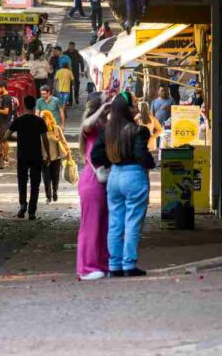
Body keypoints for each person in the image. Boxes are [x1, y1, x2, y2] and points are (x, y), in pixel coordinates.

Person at [91, 93, 155, 277]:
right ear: (127, 109)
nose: (135, 107)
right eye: (133, 104)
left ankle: (114, 265)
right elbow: (142, 155)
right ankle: (129, 264)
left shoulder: (107, 131)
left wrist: (111, 161)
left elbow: (96, 156)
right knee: (133, 222)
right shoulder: (138, 130)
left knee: (115, 223)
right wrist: (150, 163)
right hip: (134, 175)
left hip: (114, 177)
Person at [77, 93, 111, 280]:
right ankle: (86, 267)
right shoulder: (94, 126)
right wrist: (101, 109)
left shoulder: (105, 126)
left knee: (104, 225)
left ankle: (101, 263)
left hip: (104, 180)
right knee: (91, 225)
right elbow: (86, 125)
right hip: (93, 180)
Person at [6, 96, 50, 220]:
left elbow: (6, 136)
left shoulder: (18, 121)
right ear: (35, 105)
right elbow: (45, 139)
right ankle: (32, 211)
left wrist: (18, 137)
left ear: (24, 105)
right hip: (36, 156)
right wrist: (48, 154)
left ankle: (22, 206)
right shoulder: (39, 121)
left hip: (22, 156)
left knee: (22, 182)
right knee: (35, 184)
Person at [40, 111, 69, 204]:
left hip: (56, 157)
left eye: (44, 118)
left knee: (55, 177)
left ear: (49, 118)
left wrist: (68, 151)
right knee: (46, 178)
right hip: (44, 158)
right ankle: (48, 196)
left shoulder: (56, 129)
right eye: (41, 118)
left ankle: (55, 191)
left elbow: (63, 140)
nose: (42, 120)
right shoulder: (39, 130)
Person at [0, 85, 14, 163]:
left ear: (3, 87)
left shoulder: (7, 98)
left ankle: (5, 157)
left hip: (4, 122)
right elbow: (2, 107)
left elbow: (6, 111)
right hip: (2, 122)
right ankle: (2, 155)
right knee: (1, 139)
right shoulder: (3, 96)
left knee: (4, 140)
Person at [64, 42, 85, 106]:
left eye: (72, 46)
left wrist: (82, 71)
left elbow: (82, 62)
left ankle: (76, 97)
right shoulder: (65, 53)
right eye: (70, 46)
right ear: (68, 46)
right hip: (67, 73)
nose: (71, 47)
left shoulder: (77, 54)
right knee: (68, 86)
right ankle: (70, 100)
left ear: (74, 46)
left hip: (75, 73)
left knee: (76, 85)